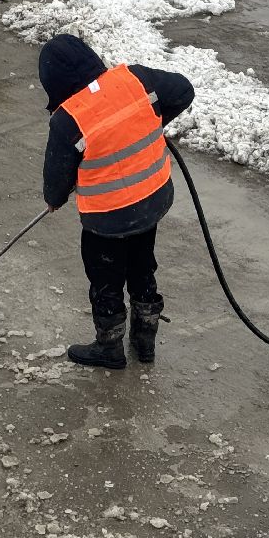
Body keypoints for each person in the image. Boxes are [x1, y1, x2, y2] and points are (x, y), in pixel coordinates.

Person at [39, 34, 195, 370]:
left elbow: (57, 176)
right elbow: (183, 90)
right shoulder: (135, 79)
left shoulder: (68, 120)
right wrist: (148, 124)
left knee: (106, 278)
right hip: (151, 202)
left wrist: (54, 199)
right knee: (142, 265)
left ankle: (109, 347)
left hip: (107, 219)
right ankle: (145, 340)